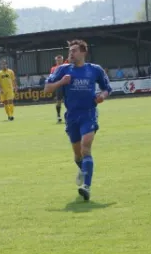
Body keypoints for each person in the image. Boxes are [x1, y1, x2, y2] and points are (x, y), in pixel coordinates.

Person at [44, 40, 112, 201]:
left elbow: (107, 88)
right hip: (72, 116)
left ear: (83, 52)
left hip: (89, 113)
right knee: (77, 155)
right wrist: (61, 82)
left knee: (85, 147)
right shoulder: (63, 70)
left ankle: (86, 186)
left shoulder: (94, 70)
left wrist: (102, 96)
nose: (71, 54)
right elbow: (47, 89)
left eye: (74, 51)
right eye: (70, 51)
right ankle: (83, 170)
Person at [50, 55, 67, 123]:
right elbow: (51, 77)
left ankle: (68, 115)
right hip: (59, 86)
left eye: (60, 60)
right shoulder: (53, 68)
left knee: (68, 101)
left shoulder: (66, 66)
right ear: (56, 61)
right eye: (57, 60)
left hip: (66, 85)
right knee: (59, 101)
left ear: (62, 60)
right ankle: (58, 115)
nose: (59, 61)